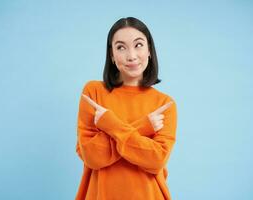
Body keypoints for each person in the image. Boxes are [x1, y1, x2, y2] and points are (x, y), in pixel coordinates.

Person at [75, 17, 178, 200]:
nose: (131, 55)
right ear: (112, 55)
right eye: (121, 47)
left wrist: (110, 125)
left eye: (138, 45)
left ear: (149, 51)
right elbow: (93, 157)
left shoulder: (164, 104)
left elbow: (156, 160)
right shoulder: (93, 92)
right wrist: (143, 127)